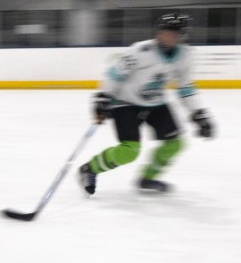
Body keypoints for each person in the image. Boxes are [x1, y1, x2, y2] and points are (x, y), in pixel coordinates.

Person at [78, 13, 215, 195]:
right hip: (125, 103)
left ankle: (148, 178)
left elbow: (185, 87)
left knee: (176, 143)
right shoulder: (140, 51)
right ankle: (89, 169)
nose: (164, 36)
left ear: (181, 37)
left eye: (171, 34)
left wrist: (198, 114)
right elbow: (114, 74)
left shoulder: (185, 56)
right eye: (162, 32)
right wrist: (103, 97)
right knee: (130, 151)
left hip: (156, 103)